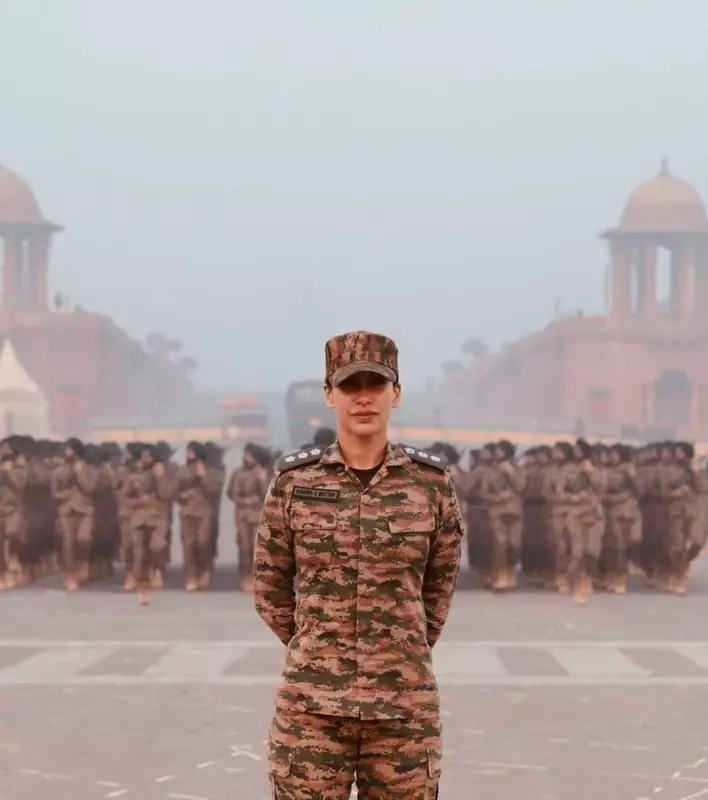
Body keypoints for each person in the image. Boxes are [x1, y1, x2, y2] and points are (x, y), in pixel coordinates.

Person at [254, 330, 464, 799]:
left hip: (403, 710)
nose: (364, 398)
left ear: (397, 393)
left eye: (377, 385)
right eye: (351, 386)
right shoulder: (293, 484)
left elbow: (438, 588)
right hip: (312, 708)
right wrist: (320, 646)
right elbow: (269, 590)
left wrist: (396, 649)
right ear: (330, 395)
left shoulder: (430, 486)